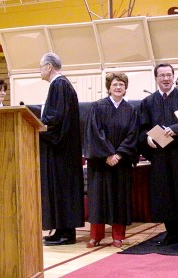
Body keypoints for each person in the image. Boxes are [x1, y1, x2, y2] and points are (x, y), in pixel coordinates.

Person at [138, 63, 178, 248]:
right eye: (161, 75)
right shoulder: (148, 102)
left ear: (174, 76)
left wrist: (174, 130)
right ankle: (172, 234)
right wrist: (147, 137)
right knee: (165, 196)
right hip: (160, 157)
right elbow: (142, 129)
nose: (166, 79)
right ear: (156, 78)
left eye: (168, 75)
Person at [83, 72, 138, 248]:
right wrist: (107, 154)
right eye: (115, 84)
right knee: (98, 199)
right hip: (101, 162)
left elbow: (132, 135)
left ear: (125, 88)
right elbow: (95, 132)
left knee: (119, 198)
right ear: (109, 87)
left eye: (121, 84)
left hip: (121, 163)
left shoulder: (131, 111)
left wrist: (119, 154)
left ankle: (117, 236)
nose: (118, 87)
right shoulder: (97, 107)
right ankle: (96, 236)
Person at [39, 52, 84, 246]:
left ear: (49, 67)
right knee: (60, 190)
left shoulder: (59, 85)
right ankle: (60, 229)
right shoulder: (60, 86)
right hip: (62, 149)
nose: (39, 71)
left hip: (62, 150)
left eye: (40, 67)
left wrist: (39, 127)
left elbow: (56, 119)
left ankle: (66, 232)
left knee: (63, 190)